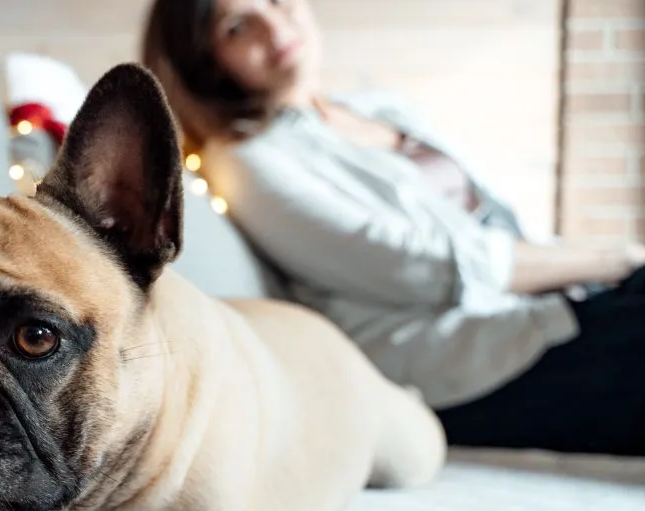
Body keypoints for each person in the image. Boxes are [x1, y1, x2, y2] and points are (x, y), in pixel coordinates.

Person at [141, 0, 645, 457]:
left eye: (274, 0)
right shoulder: (245, 161)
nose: (274, 27)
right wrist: (613, 257)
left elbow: (497, 222)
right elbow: (414, 267)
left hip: (544, 307)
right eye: (236, 26)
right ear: (206, 66)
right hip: (463, 364)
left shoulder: (381, 110)